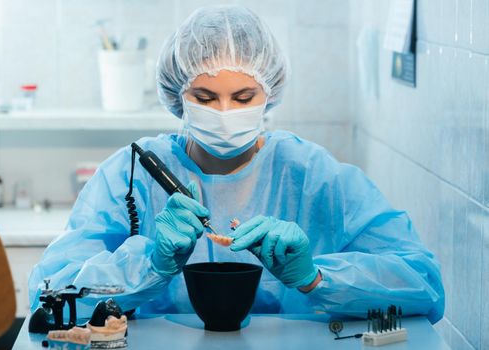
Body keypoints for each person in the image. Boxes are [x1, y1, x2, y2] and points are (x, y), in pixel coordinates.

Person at [28, 5, 444, 323]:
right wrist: (148, 264)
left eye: (243, 98)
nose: (225, 112)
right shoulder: (131, 175)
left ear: (269, 93)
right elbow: (46, 295)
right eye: (205, 98)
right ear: (177, 96)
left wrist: (315, 278)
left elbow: (424, 285)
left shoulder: (313, 176)